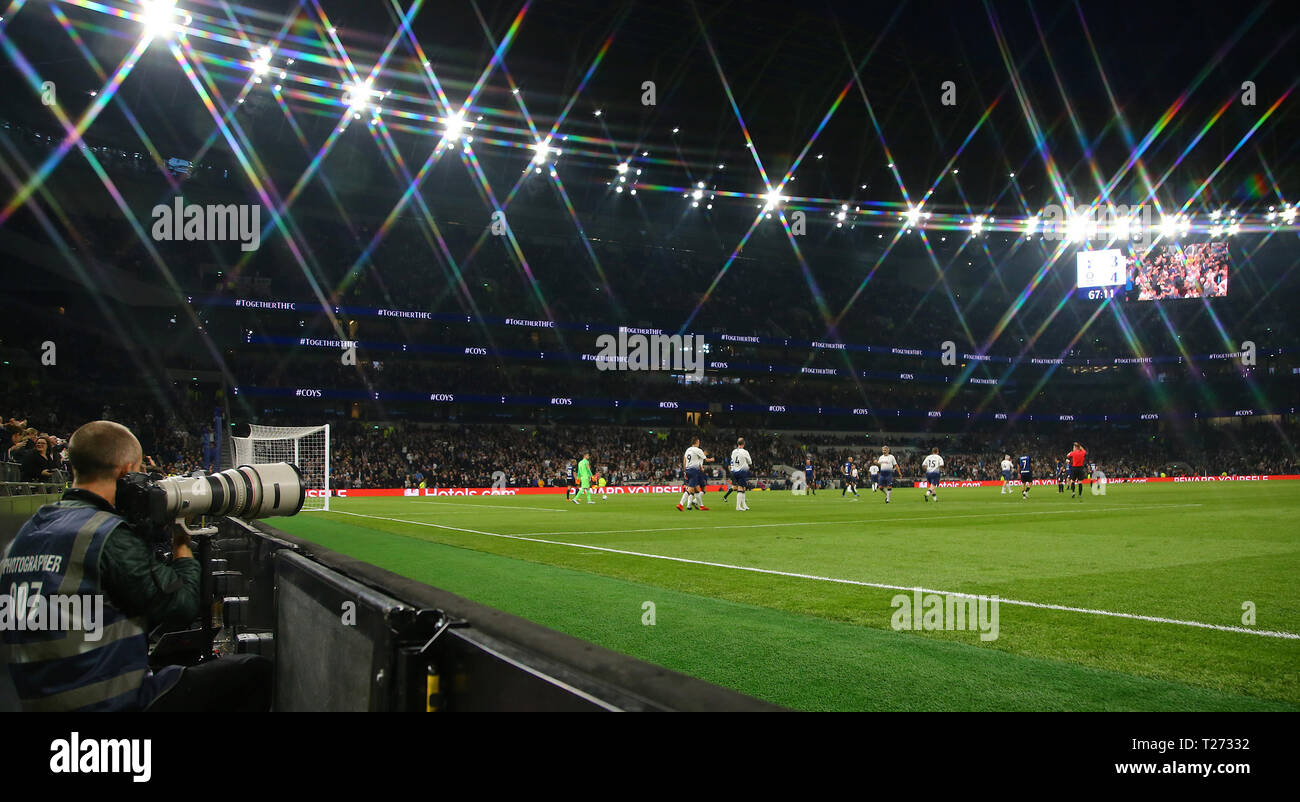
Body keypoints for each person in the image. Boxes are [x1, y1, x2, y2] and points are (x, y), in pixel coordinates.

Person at [0, 420, 270, 712]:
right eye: (142, 471)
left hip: (36, 698)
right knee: (252, 671)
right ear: (127, 471)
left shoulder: (26, 535)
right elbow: (182, 605)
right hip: (107, 704)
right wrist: (181, 543)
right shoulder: (103, 533)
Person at [678, 437, 711, 511]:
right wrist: (711, 459)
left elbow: (684, 460)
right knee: (690, 489)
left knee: (696, 490)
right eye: (698, 442)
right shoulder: (698, 450)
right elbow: (705, 459)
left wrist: (684, 471)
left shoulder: (688, 449)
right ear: (696, 442)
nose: (699, 443)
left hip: (688, 470)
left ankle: (702, 506)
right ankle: (680, 504)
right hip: (694, 471)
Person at [723, 437, 752, 511]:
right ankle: (738, 506)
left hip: (735, 471)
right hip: (742, 472)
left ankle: (744, 505)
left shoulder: (734, 451)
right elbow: (750, 462)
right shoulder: (745, 452)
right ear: (744, 444)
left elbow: (733, 460)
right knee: (741, 488)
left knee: (742, 488)